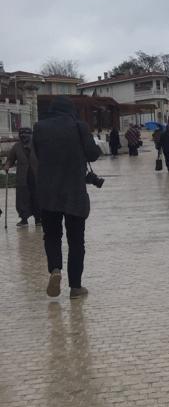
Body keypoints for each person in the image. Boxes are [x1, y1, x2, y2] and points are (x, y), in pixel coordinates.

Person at [32, 96, 101, 299]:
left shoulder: (39, 127)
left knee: (52, 236)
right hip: (74, 193)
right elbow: (92, 154)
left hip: (48, 193)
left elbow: (37, 153)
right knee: (76, 241)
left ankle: (55, 269)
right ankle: (76, 288)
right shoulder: (78, 126)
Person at [4, 127, 39, 227]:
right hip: (23, 177)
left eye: (26, 133)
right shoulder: (16, 147)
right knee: (22, 198)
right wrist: (7, 165)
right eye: (21, 134)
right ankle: (24, 219)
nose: (23, 135)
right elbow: (10, 159)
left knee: (37, 196)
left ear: (31, 134)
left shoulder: (37, 145)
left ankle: (38, 218)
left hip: (36, 176)